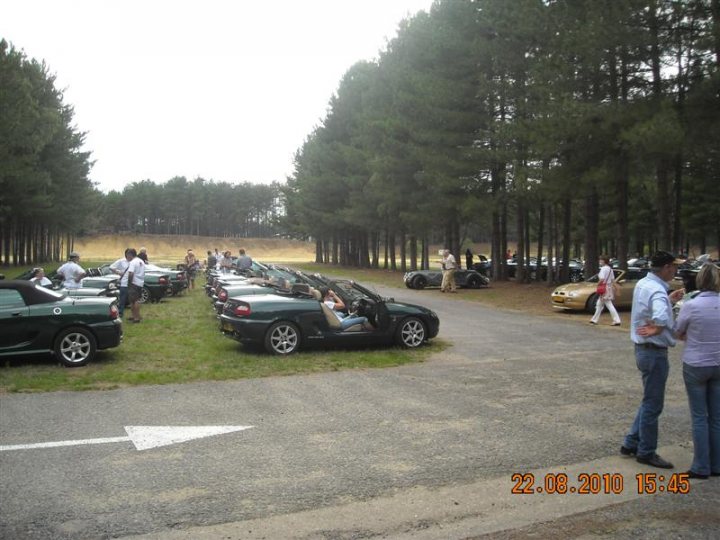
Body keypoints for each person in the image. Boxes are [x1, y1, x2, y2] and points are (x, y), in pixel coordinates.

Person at [643, 263, 720, 478]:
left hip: (696, 364)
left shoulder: (691, 305)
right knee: (716, 416)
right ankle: (717, 464)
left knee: (699, 416)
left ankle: (701, 466)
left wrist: (687, 335)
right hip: (718, 363)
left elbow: (677, 331)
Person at [621, 251, 686, 469]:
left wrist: (668, 300)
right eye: (674, 267)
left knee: (649, 399)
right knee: (653, 404)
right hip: (654, 352)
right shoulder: (657, 290)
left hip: (642, 349)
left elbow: (653, 306)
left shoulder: (644, 284)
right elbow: (659, 314)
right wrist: (658, 326)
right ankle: (646, 451)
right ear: (666, 267)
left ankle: (631, 442)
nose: (675, 271)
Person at [590, 255, 621, 326]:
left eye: (601, 260)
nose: (600, 261)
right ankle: (594, 319)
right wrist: (617, 288)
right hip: (608, 288)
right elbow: (613, 280)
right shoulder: (610, 269)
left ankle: (616, 320)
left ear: (604, 261)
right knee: (599, 304)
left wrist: (597, 284)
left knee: (608, 304)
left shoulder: (603, 269)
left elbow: (602, 279)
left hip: (604, 288)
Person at [109, 249, 132, 318]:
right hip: (124, 283)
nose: (130, 256)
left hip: (132, 283)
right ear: (126, 254)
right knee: (122, 298)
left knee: (132, 299)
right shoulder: (121, 261)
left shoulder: (134, 261)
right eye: (128, 254)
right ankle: (120, 312)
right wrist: (118, 272)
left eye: (131, 254)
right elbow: (111, 267)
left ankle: (133, 314)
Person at [126, 248, 146, 323]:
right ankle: (135, 315)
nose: (127, 257)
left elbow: (131, 273)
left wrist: (129, 282)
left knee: (134, 300)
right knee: (135, 300)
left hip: (134, 283)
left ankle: (136, 318)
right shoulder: (141, 261)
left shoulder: (133, 262)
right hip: (140, 282)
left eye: (127, 255)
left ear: (130, 254)